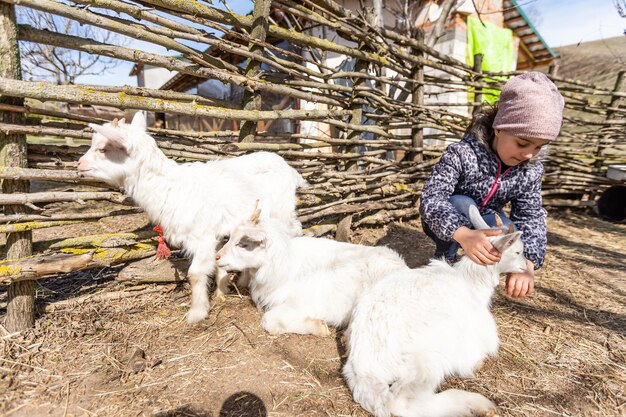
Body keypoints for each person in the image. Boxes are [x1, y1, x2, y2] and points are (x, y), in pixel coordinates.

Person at [419, 72, 564, 299]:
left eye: (538, 147)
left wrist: (527, 265)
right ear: (499, 127)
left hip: (487, 222)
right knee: (462, 202)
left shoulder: (530, 170)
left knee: (510, 229)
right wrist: (464, 235)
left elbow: (531, 215)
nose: (528, 154)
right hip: (449, 225)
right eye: (522, 143)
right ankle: (445, 266)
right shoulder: (463, 154)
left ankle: (476, 277)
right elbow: (432, 198)